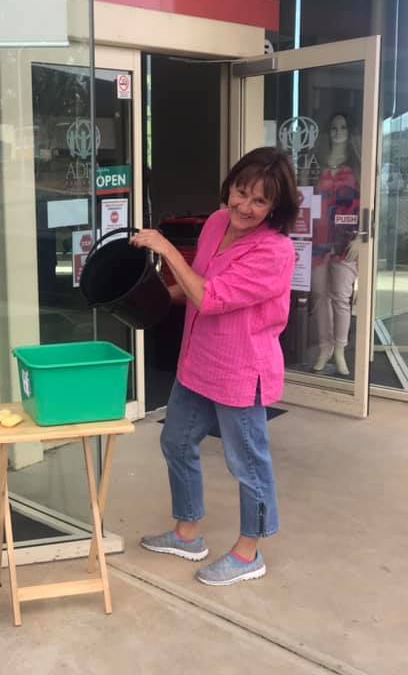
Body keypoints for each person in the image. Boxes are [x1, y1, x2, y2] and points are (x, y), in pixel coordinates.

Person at [131, 146, 298, 586]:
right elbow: (198, 285)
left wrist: (164, 246)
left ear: (275, 208)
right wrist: (155, 299)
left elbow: (213, 298)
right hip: (198, 359)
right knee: (176, 441)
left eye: (259, 201)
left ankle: (249, 553)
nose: (244, 206)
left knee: (248, 463)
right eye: (241, 192)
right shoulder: (216, 223)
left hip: (241, 371)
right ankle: (188, 532)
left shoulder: (274, 252)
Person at [311, 113, 361, 375]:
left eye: (342, 126)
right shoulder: (318, 163)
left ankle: (340, 350)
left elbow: (370, 205)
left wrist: (362, 239)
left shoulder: (357, 164)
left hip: (346, 239)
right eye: (333, 127)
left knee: (341, 297)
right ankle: (324, 347)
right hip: (319, 238)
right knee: (319, 295)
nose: (338, 131)